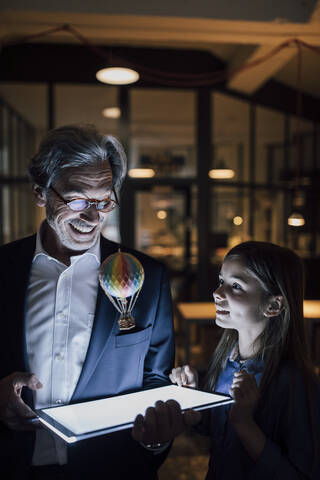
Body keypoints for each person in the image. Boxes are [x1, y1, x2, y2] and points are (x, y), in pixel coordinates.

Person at [0, 124, 175, 480]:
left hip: (112, 469)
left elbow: (155, 382)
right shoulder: (2, 270)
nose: (94, 217)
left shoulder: (149, 278)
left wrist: (156, 439)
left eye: (104, 201)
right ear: (40, 193)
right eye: (78, 200)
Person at [133, 241, 320, 479]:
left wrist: (245, 423)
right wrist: (196, 402)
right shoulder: (226, 361)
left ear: (273, 305)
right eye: (222, 282)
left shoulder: (295, 383)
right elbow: (219, 431)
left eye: (236, 286)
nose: (217, 293)